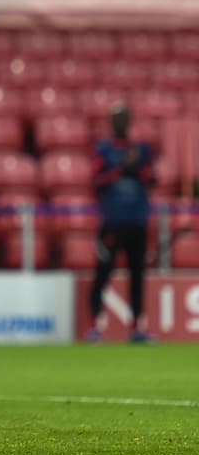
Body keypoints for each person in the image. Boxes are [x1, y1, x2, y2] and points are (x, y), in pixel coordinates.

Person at [86, 102, 154, 343]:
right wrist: (121, 168)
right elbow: (97, 180)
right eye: (117, 118)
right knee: (103, 273)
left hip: (137, 220)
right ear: (111, 122)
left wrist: (137, 167)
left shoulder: (142, 150)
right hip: (112, 220)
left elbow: (152, 178)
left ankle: (137, 327)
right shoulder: (103, 149)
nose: (121, 122)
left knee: (138, 275)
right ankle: (95, 326)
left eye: (124, 118)